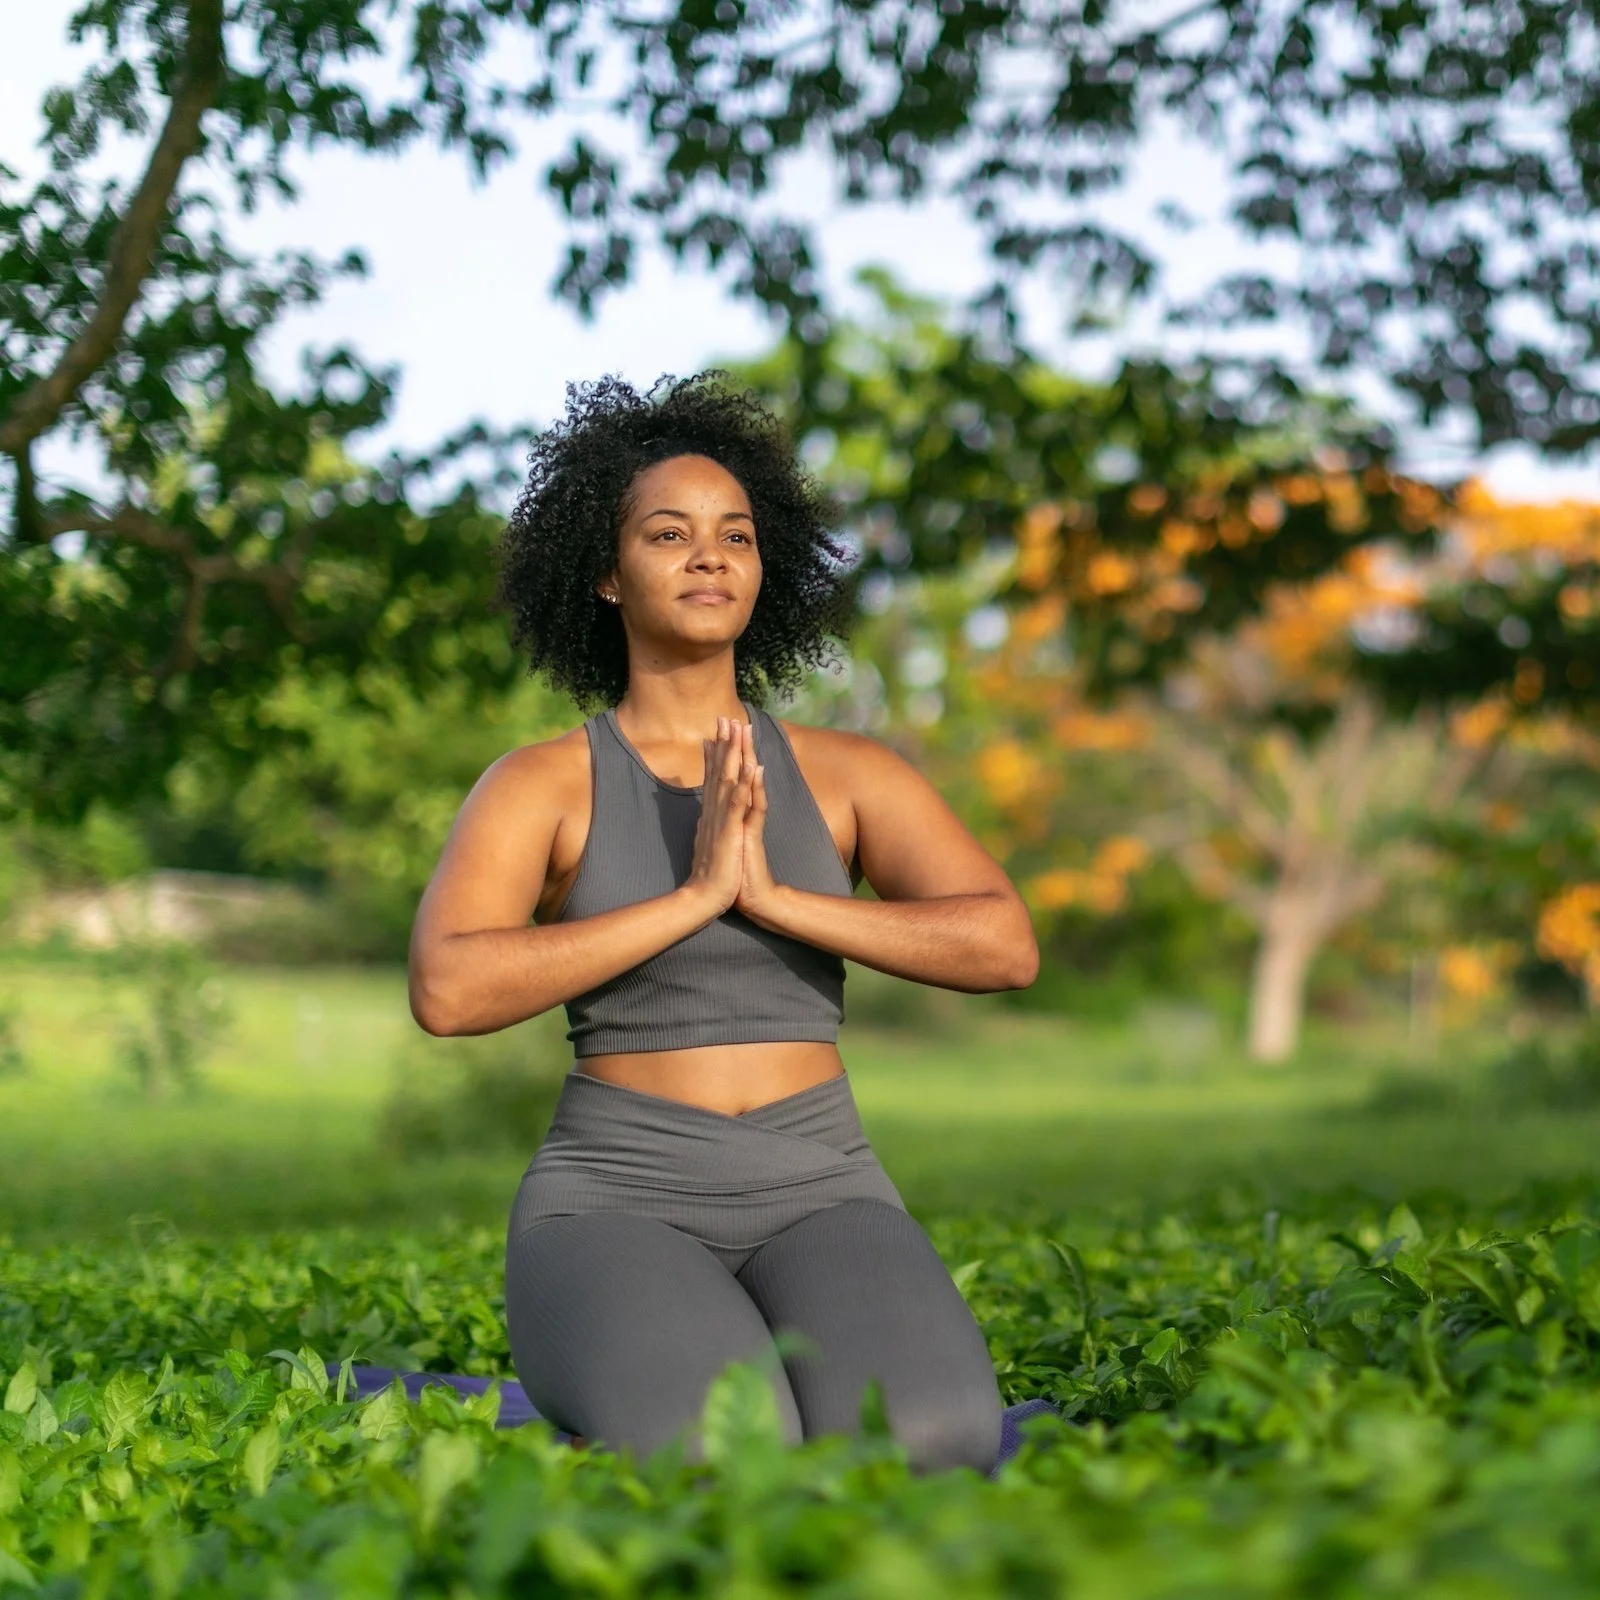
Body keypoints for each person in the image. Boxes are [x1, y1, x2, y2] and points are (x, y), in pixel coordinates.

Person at [408, 372, 1039, 1473]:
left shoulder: (848, 773)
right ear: (605, 575)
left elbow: (1002, 944)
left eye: (734, 535)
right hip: (616, 1194)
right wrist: (690, 899)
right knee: (722, 1456)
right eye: (668, 533)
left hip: (822, 1178)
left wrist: (781, 900)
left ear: (765, 567)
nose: (709, 555)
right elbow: (448, 991)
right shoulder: (540, 785)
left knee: (936, 1445)